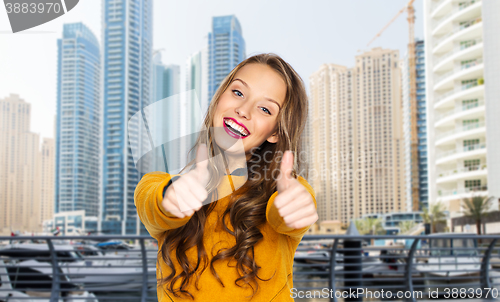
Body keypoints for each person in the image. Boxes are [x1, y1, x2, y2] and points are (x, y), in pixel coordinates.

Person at [135, 53, 318, 301]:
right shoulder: (158, 184)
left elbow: (289, 212)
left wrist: (292, 207)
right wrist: (170, 198)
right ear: (218, 99)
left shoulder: (286, 190)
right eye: (238, 93)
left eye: (265, 108)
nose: (243, 110)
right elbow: (152, 203)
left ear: (275, 132)